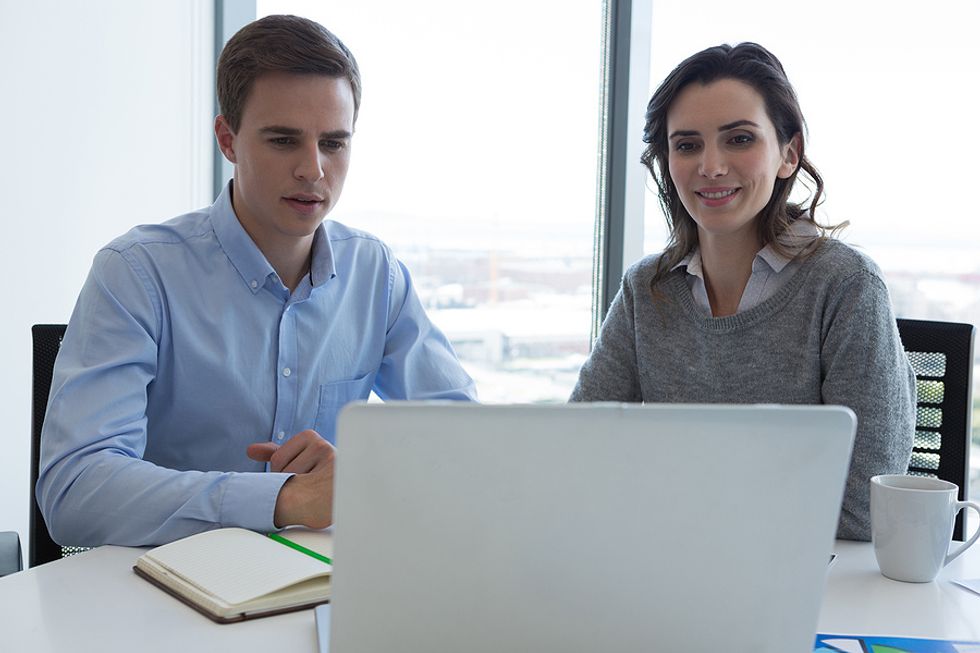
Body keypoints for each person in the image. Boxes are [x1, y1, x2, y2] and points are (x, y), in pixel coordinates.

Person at [37, 15, 476, 547]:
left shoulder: (376, 274)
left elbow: (464, 445)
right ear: (228, 138)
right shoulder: (135, 272)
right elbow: (75, 492)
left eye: (333, 144)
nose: (313, 169)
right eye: (284, 140)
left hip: (316, 589)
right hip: (160, 593)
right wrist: (286, 498)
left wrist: (359, 471)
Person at [569, 43, 914, 541]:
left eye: (739, 139)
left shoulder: (845, 286)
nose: (710, 166)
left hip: (808, 581)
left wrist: (672, 500)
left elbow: (863, 507)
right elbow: (575, 454)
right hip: (667, 567)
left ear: (788, 154)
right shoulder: (646, 290)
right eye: (686, 145)